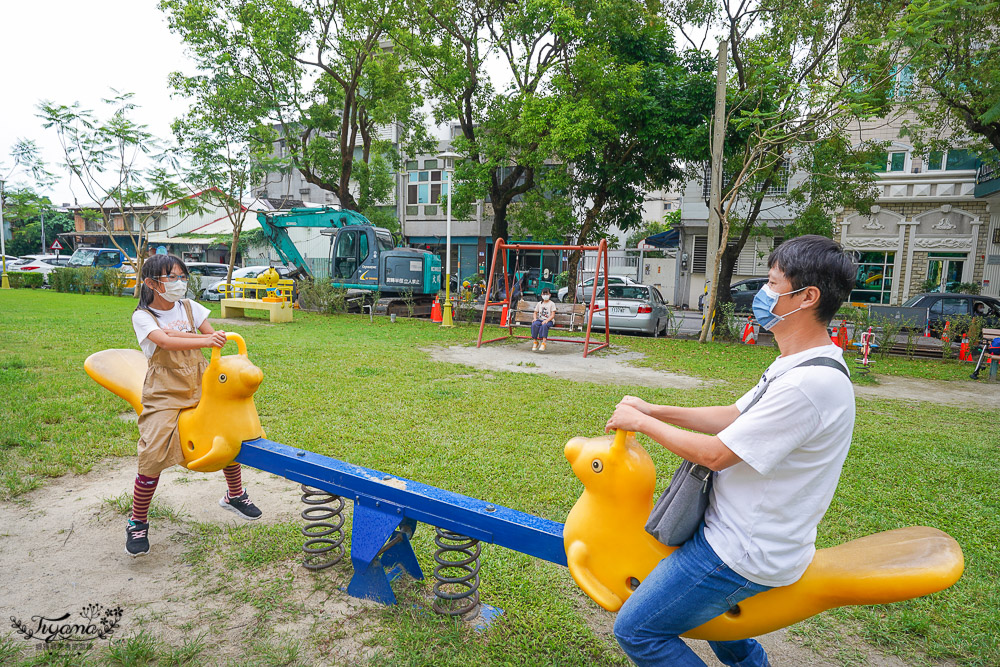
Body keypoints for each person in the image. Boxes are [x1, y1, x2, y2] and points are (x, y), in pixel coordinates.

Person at [605, 235, 857, 666]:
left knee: (637, 631)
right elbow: (733, 415)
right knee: (724, 631)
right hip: (734, 532)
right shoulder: (797, 363)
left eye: (773, 283)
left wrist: (643, 424)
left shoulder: (809, 384)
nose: (762, 293)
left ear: (808, 296)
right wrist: (655, 408)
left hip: (740, 552)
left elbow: (717, 454)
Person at [127, 254, 262, 557]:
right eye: (171, 278)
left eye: (182, 277)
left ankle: (235, 495)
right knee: (153, 447)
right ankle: (137, 520)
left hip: (201, 382)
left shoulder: (191, 307)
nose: (179, 283)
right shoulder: (143, 316)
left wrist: (204, 339)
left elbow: (212, 336)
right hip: (165, 391)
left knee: (226, 432)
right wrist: (201, 340)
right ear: (151, 283)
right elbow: (165, 341)